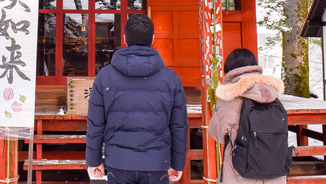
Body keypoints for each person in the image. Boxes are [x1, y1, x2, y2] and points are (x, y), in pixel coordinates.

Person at [86, 14, 188, 184]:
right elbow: (179, 127)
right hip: (157, 163)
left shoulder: (105, 76)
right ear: (153, 38)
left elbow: (95, 123)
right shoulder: (171, 79)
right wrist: (177, 163)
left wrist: (94, 160)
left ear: (125, 39)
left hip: (119, 162)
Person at [206, 48, 286, 184]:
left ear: (229, 69)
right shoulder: (273, 94)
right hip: (275, 172)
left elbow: (217, 133)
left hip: (240, 172)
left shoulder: (229, 96)